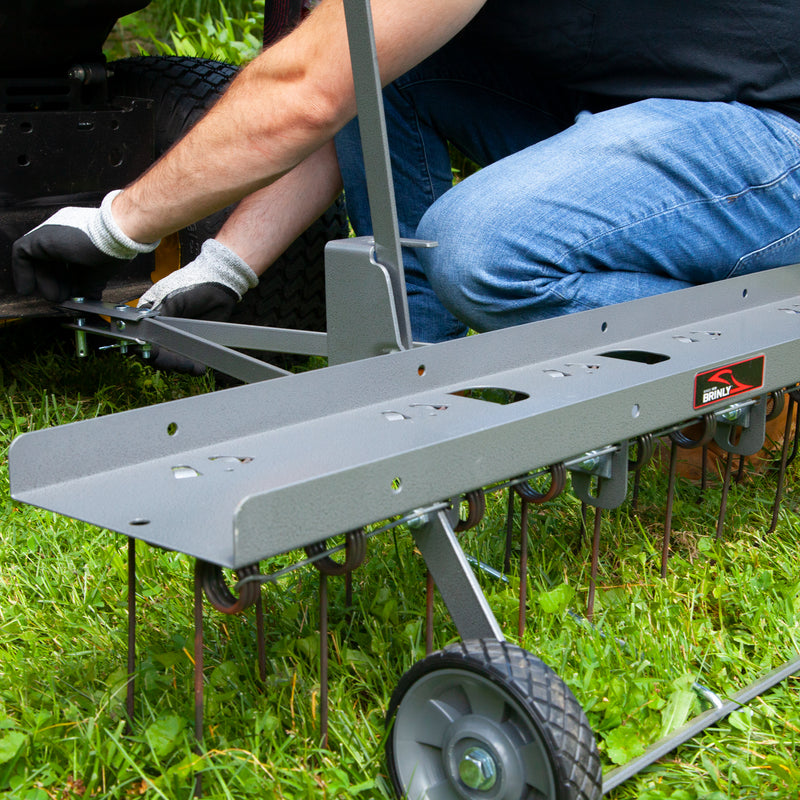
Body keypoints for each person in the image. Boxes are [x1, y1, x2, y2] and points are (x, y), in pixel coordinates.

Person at [12, 0, 800, 347]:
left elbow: (304, 94)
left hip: (772, 136)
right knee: (389, 72)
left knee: (483, 253)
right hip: (649, 101)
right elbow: (353, 74)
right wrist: (228, 261)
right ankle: (415, 369)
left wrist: (116, 226)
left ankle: (752, 366)